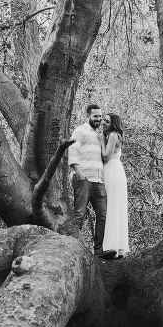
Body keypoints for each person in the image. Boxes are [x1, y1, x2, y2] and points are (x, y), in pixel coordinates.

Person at [67, 104, 112, 258]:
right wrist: (78, 172)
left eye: (100, 116)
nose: (99, 119)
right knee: (79, 214)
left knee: (103, 215)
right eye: (96, 116)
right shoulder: (80, 131)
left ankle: (98, 251)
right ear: (89, 116)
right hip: (84, 179)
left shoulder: (99, 135)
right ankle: (73, 250)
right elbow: (72, 150)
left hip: (99, 181)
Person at [101, 113, 129, 258]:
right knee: (115, 208)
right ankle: (118, 247)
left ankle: (111, 247)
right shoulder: (113, 135)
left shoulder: (113, 135)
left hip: (112, 171)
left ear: (113, 124)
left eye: (106, 121)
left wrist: (100, 141)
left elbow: (106, 157)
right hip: (114, 171)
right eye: (103, 120)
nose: (103, 123)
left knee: (111, 208)